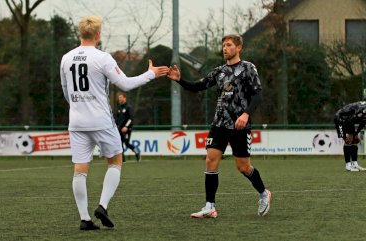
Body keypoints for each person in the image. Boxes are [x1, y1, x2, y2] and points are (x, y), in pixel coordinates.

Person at [60, 15, 169, 230]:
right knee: (115, 161)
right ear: (98, 35)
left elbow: (65, 90)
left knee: (80, 170)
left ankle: (84, 219)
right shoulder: (102, 58)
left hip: (77, 122)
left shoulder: (66, 58)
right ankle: (102, 205)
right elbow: (125, 84)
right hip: (101, 120)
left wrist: (77, 108)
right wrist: (150, 74)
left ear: (81, 34)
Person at [167, 34, 271, 218]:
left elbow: (257, 96)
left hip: (239, 126)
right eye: (223, 45)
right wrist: (179, 80)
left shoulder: (248, 68)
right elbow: (197, 86)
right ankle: (210, 206)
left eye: (229, 45)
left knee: (243, 167)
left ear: (238, 48)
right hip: (219, 124)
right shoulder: (219, 71)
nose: (225, 48)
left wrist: (246, 114)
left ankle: (264, 193)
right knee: (210, 160)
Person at [334, 101, 366, 172]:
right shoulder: (363, 110)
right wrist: (351, 134)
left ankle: (355, 164)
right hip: (340, 118)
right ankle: (348, 165)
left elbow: (363, 123)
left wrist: (356, 133)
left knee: (355, 141)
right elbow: (350, 121)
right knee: (348, 141)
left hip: (349, 120)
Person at [116, 92, 141, 162]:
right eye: (119, 98)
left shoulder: (128, 107)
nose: (119, 99)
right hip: (119, 129)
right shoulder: (119, 108)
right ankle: (123, 159)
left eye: (121, 97)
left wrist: (126, 127)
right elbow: (118, 119)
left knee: (126, 143)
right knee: (120, 143)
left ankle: (137, 152)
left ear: (124, 98)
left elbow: (131, 118)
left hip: (127, 129)